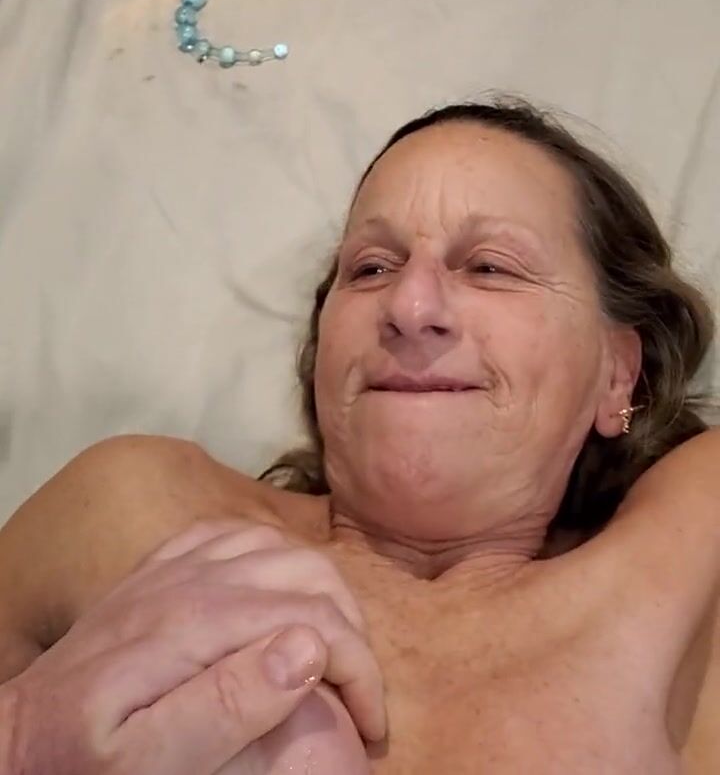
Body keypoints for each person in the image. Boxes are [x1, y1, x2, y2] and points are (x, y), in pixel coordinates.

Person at [0, 98, 718, 775]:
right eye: (371, 268)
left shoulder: (689, 547)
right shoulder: (135, 508)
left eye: (489, 267)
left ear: (617, 375)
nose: (409, 305)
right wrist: (22, 738)